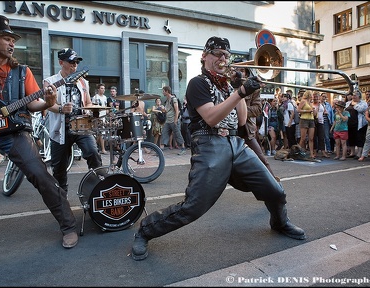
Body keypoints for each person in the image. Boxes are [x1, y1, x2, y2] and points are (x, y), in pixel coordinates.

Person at [131, 36, 305, 261]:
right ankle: (145, 230)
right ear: (205, 56)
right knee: (193, 208)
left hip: (235, 144)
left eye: (226, 55)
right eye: (217, 54)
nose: (222, 59)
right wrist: (240, 93)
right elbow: (212, 118)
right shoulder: (198, 83)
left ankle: (280, 223)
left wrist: (237, 89)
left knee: (275, 190)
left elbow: (242, 120)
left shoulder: (227, 84)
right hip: (209, 145)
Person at [0, 15, 79, 248]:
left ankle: (69, 226)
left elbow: (34, 104)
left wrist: (48, 101)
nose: (12, 43)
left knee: (41, 175)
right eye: (7, 38)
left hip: (14, 133)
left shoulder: (23, 72)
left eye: (13, 39)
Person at [43, 48, 102, 196]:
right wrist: (62, 109)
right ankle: (62, 199)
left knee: (93, 153)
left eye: (76, 62)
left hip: (81, 127)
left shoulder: (83, 82)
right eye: (71, 62)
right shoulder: (50, 82)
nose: (74, 65)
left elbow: (87, 103)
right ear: (61, 62)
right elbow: (48, 104)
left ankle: (97, 189)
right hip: (60, 130)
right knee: (59, 168)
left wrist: (93, 109)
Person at [231, 66, 278, 179]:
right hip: (228, 129)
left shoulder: (254, 89)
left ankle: (274, 184)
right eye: (236, 70)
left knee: (261, 159)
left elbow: (257, 110)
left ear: (246, 74)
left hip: (246, 130)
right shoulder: (226, 85)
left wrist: (240, 110)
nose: (239, 74)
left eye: (242, 71)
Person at [160, 86, 186, 155]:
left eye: (163, 91)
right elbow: (166, 111)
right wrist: (162, 109)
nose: (163, 92)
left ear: (167, 91)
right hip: (168, 121)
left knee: (178, 134)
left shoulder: (173, 99)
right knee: (164, 133)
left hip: (173, 121)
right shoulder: (167, 100)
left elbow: (177, 110)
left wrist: (175, 120)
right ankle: (161, 150)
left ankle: (183, 148)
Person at [345, 90, 368, 159]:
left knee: (359, 138)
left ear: (359, 96)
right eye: (353, 95)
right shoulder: (348, 103)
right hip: (349, 123)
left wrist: (355, 105)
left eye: (355, 95)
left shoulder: (363, 103)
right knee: (351, 138)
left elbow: (361, 109)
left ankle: (359, 153)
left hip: (359, 124)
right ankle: (352, 152)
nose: (353, 96)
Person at [297, 90, 316, 157]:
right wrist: (307, 111)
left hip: (311, 119)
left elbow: (314, 113)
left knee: (311, 138)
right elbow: (298, 110)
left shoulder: (311, 102)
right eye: (311, 94)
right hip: (304, 119)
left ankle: (311, 154)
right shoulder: (303, 101)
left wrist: (314, 110)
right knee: (303, 138)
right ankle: (297, 151)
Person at [312, 91, 329, 158]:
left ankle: (323, 151)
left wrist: (325, 112)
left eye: (317, 96)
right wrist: (318, 106)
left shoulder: (322, 104)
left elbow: (324, 111)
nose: (316, 98)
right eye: (314, 96)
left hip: (321, 122)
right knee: (314, 137)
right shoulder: (312, 104)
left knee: (321, 137)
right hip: (314, 121)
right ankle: (315, 151)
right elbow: (314, 113)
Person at [92, 83, 108, 154]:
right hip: (97, 117)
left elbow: (106, 106)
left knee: (102, 133)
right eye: (101, 88)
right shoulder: (95, 97)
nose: (103, 90)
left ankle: (102, 149)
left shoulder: (105, 97)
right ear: (98, 89)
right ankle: (94, 147)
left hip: (104, 116)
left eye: (104, 88)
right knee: (97, 133)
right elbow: (92, 108)